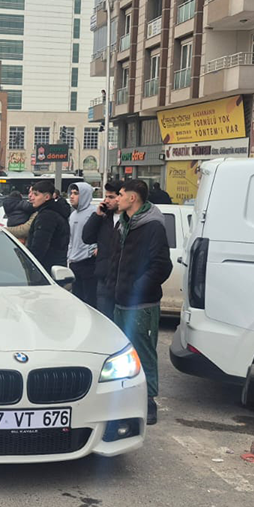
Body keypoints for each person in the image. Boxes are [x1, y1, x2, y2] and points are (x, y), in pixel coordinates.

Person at [108, 179, 173, 426]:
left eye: (121, 195)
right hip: (119, 299)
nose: (117, 199)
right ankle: (124, 399)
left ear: (132, 198)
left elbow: (161, 266)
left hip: (141, 303)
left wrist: (137, 289)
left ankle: (148, 401)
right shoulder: (123, 224)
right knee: (122, 354)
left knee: (143, 352)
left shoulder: (152, 226)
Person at [83, 181, 122, 320]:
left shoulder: (128, 220)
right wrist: (97, 215)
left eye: (111, 197)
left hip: (121, 279)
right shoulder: (105, 218)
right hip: (104, 277)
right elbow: (87, 237)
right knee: (105, 319)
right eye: (106, 197)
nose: (106, 201)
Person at [25, 180, 71, 273]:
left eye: (36, 194)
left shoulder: (47, 216)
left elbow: (39, 245)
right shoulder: (54, 212)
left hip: (45, 270)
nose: (31, 197)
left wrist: (31, 266)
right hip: (56, 268)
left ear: (47, 197)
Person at [66, 182, 98, 306]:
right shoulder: (73, 214)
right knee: (77, 301)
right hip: (74, 262)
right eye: (71, 193)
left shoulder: (94, 212)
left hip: (88, 262)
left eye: (76, 193)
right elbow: (71, 238)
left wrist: (95, 249)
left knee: (90, 301)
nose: (72, 196)